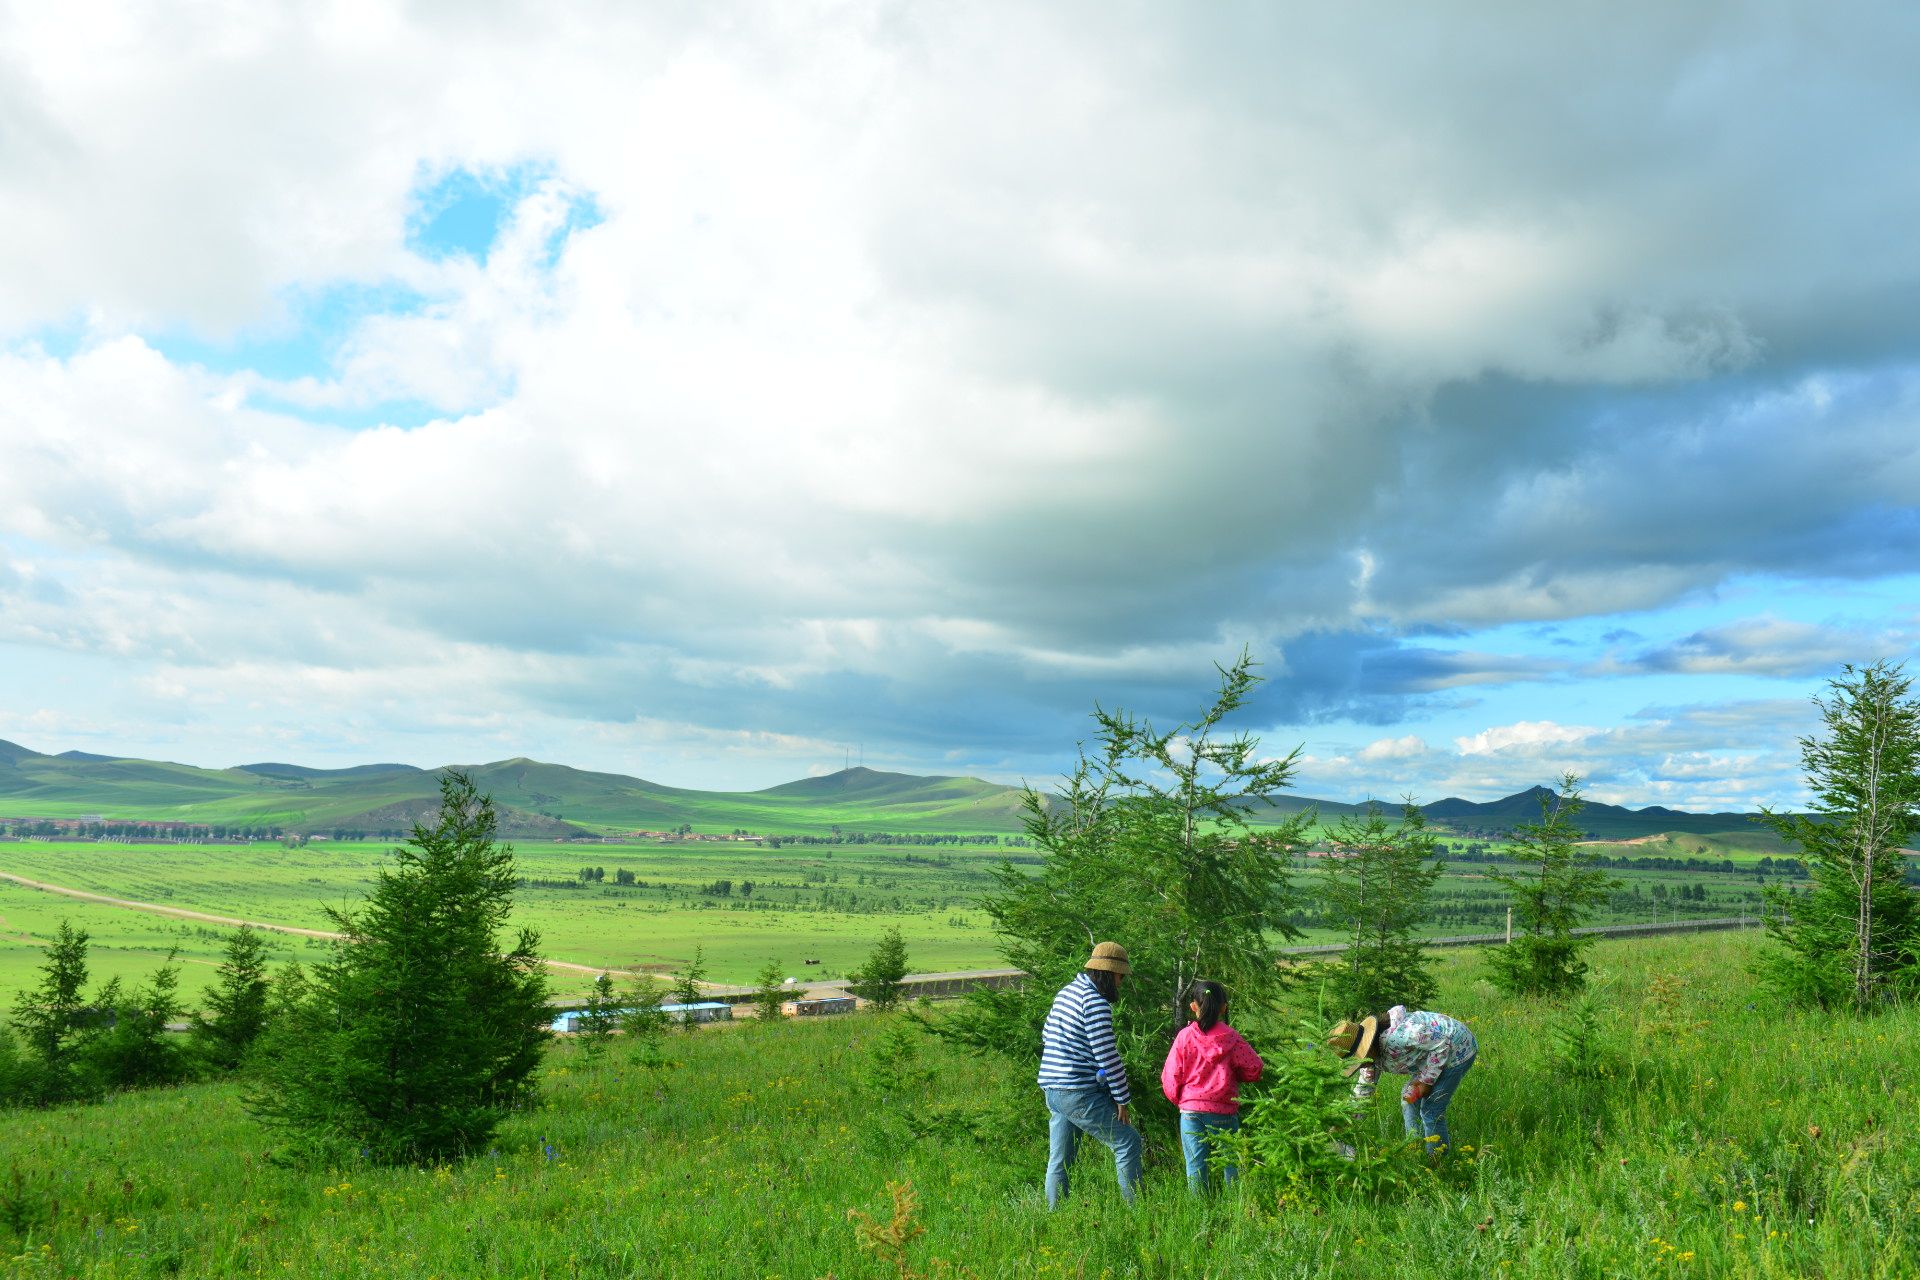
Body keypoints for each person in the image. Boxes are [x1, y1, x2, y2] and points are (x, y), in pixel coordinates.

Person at [1037, 942, 1142, 1207]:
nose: (1121, 983)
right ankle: (1138, 1212)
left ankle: (1053, 1215)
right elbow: (1108, 1055)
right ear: (1108, 974)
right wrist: (1121, 1098)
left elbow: (1046, 1035)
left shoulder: (1066, 993)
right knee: (1127, 1141)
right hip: (1077, 1091)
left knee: (1061, 1158)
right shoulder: (1094, 1002)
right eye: (1120, 976)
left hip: (1053, 1089)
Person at [1327, 1005, 1478, 1155]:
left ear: (1369, 1046)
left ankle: (1437, 1161)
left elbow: (1442, 1043)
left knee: (1431, 1110)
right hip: (1432, 1056)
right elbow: (1363, 1094)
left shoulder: (1399, 1037)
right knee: (1408, 1099)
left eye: (1360, 1057)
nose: (1361, 1064)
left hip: (1457, 1048)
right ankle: (1414, 1149)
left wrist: (1426, 1081)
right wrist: (1342, 1124)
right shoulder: (1370, 1060)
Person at [1160, 979, 1263, 1195]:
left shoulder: (1185, 1037)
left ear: (1193, 1006)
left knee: (1195, 1165)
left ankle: (1200, 1212)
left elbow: (1171, 1075)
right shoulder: (1232, 1038)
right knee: (1230, 1163)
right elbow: (1254, 1068)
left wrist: (1181, 1100)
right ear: (1224, 1007)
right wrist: (1236, 1076)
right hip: (1223, 1109)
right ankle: (1234, 1206)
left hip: (1191, 1111)